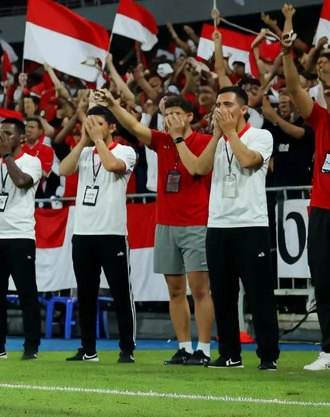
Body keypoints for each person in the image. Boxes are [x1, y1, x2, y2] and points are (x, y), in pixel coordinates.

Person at [98, 85, 216, 366]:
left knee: (200, 290)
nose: (170, 118)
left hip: (196, 223)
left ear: (189, 117)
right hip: (165, 223)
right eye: (166, 114)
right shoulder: (161, 140)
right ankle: (184, 347)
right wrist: (115, 105)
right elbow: (135, 127)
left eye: (176, 113)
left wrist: (178, 140)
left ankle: (205, 349)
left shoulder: (204, 141)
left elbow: (197, 169)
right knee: (174, 290)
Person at [186, 84, 279, 370]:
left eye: (227, 104)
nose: (221, 109)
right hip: (218, 225)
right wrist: (218, 135)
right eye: (218, 104)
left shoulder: (261, 136)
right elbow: (198, 169)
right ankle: (229, 354)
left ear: (243, 109)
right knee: (223, 296)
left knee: (259, 292)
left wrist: (229, 134)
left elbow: (249, 161)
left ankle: (267, 356)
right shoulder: (217, 140)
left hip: (250, 225)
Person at [58, 106, 139, 363]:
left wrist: (97, 141)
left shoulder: (125, 150)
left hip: (112, 232)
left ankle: (127, 348)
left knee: (120, 292)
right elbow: (63, 169)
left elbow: (113, 165)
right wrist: (84, 140)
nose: (93, 127)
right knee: (85, 293)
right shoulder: (84, 152)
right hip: (83, 232)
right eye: (90, 123)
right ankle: (88, 348)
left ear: (112, 127)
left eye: (99, 123)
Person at [276, 31, 330, 371]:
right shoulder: (323, 120)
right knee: (324, 280)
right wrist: (285, 54)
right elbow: (295, 90)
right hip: (323, 211)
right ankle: (329, 350)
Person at [0, 119, 43, 360]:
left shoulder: (32, 161)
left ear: (21, 138)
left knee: (26, 293)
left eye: (8, 134)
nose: (2, 137)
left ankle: (31, 346)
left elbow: (22, 182)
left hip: (20, 236)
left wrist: (7, 157)